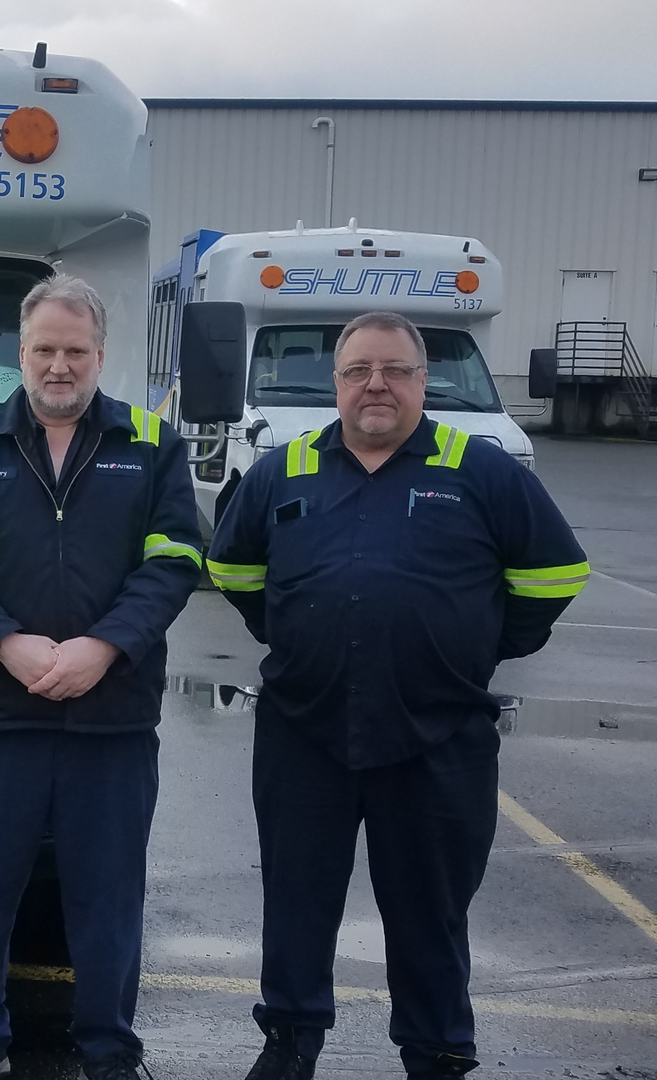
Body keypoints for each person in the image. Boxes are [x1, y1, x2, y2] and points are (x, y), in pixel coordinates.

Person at [206, 311, 589, 1080]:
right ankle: (289, 1042)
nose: (375, 385)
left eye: (395, 370)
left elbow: (554, 574)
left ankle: (438, 1049)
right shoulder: (285, 471)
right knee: (296, 903)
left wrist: (476, 647)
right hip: (304, 733)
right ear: (336, 383)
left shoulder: (481, 470)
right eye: (358, 371)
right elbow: (234, 570)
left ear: (423, 381)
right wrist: (292, 631)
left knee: (429, 913)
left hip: (438, 738)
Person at [0, 276, 201, 1080]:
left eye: (77, 351)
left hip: (111, 719)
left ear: (101, 355)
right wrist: (5, 643)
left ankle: (109, 1051)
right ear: (21, 351)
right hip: (0, 715)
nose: (60, 365)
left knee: (107, 903)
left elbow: (175, 563)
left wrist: (103, 649)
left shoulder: (152, 444)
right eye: (45, 349)